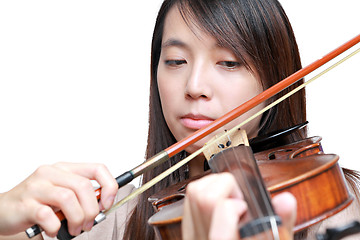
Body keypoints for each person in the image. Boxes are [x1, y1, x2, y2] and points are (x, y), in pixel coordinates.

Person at [0, 0, 359, 239]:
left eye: (229, 62)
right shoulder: (119, 212)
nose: (194, 86)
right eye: (175, 61)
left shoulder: (344, 204)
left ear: (275, 78)